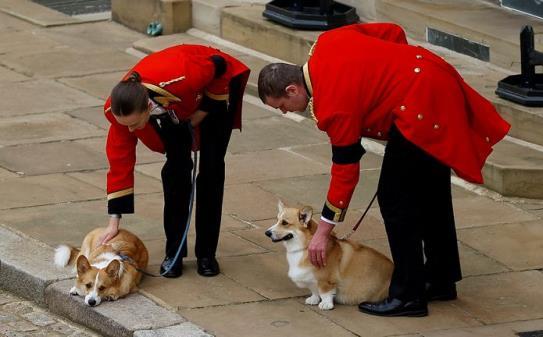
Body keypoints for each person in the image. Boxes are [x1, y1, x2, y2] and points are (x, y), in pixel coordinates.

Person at [257, 23, 510, 317]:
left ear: (292, 88)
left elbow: (346, 171)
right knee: (431, 191)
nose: (287, 112)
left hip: (420, 106)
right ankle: (441, 278)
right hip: (431, 77)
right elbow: (391, 32)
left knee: (394, 199)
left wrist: (323, 231)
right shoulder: (327, 42)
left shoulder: (333, 105)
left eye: (284, 106)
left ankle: (409, 295)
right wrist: (396, 71)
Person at [100, 44, 250, 278]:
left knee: (211, 171)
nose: (129, 130)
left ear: (147, 107)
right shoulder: (119, 112)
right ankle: (174, 253)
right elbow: (119, 163)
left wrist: (202, 113)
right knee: (175, 173)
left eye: (133, 124)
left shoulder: (183, 75)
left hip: (213, 94)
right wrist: (114, 221)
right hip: (175, 110)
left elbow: (220, 67)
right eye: (125, 124)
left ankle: (206, 254)